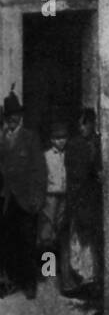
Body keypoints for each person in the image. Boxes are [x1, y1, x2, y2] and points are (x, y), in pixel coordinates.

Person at [0, 90, 47, 300]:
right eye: (8, 116)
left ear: (20, 116)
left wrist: (37, 198)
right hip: (8, 200)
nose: (12, 120)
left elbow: (39, 170)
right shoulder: (2, 138)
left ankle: (30, 284)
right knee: (9, 241)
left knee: (28, 242)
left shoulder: (30, 137)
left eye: (15, 116)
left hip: (26, 200)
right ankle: (12, 281)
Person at [64, 107, 102, 296]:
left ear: (92, 123)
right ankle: (79, 279)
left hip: (93, 198)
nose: (81, 128)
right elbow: (74, 173)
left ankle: (93, 279)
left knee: (91, 241)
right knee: (77, 239)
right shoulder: (74, 145)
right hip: (79, 197)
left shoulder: (98, 142)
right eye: (79, 124)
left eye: (84, 124)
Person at [39, 120, 71, 292]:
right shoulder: (46, 156)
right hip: (50, 197)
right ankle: (48, 271)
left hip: (64, 196)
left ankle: (64, 275)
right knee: (47, 235)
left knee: (63, 234)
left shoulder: (69, 154)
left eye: (63, 138)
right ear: (52, 140)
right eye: (57, 138)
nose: (61, 141)